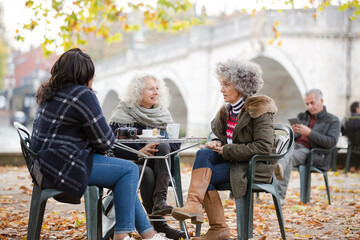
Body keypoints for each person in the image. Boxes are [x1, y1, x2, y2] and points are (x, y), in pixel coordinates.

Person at [29, 48, 169, 240]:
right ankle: (123, 235)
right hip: (64, 166)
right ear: (84, 74)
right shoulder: (82, 95)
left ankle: (149, 234)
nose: (93, 78)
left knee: (123, 173)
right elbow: (104, 142)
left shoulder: (49, 92)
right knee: (129, 170)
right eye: (91, 73)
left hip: (42, 166)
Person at [171, 59, 278, 240]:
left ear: (241, 85)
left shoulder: (259, 108)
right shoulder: (228, 111)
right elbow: (225, 138)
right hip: (235, 162)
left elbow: (264, 147)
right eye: (221, 84)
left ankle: (216, 227)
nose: (221, 89)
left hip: (253, 167)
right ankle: (195, 206)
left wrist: (227, 150)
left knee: (205, 178)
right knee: (204, 153)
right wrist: (215, 142)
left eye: (226, 84)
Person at [108, 73, 185, 239]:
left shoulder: (163, 113)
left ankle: (160, 201)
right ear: (137, 92)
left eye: (157, 89)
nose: (156, 92)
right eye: (150, 89)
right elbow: (111, 144)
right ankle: (159, 224)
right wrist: (139, 151)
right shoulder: (122, 113)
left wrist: (156, 144)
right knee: (147, 173)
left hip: (159, 162)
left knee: (163, 145)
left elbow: (175, 144)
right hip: (131, 163)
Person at [275, 88, 340, 202]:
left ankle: (279, 193)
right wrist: (293, 133)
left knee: (286, 155)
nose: (309, 107)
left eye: (312, 103)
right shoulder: (302, 116)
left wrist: (309, 133)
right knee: (285, 145)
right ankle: (278, 193)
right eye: (307, 104)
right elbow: (294, 138)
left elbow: (331, 142)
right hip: (294, 147)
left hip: (311, 152)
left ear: (321, 100)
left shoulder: (332, 120)